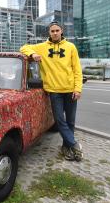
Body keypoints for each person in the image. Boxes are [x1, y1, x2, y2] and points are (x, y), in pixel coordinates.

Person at [20, 21, 83, 161]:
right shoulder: (42, 47)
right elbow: (23, 48)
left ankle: (66, 148)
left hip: (70, 90)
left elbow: (77, 70)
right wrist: (32, 54)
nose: (55, 33)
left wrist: (78, 89)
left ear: (62, 31)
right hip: (54, 91)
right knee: (60, 121)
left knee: (71, 122)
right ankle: (74, 144)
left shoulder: (71, 47)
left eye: (57, 30)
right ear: (49, 33)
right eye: (52, 31)